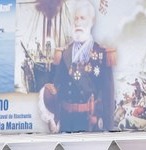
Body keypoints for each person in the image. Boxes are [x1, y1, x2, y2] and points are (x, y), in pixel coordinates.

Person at [38, 0, 115, 133]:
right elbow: (58, 87)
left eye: (82, 18)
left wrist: (108, 129)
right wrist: (53, 117)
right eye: (76, 18)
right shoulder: (63, 53)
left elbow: (108, 96)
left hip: (90, 123)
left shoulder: (102, 54)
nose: (78, 22)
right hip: (67, 122)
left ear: (92, 20)